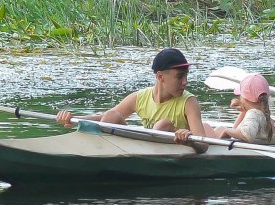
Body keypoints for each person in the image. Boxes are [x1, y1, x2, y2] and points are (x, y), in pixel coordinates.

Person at [56, 47, 208, 153]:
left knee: (163, 125)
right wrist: (75, 119)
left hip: (174, 150)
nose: (185, 82)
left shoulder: (189, 102)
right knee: (111, 116)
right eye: (180, 76)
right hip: (146, 147)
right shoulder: (140, 97)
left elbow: (204, 144)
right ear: (160, 76)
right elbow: (103, 118)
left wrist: (189, 140)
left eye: (186, 75)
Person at [214, 73, 275, 143]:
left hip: (248, 149)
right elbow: (235, 129)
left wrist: (226, 131)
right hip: (259, 148)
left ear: (244, 98)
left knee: (215, 128)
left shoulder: (253, 114)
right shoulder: (264, 115)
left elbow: (247, 135)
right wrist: (244, 111)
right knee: (219, 129)